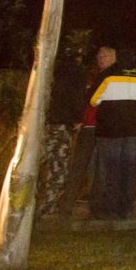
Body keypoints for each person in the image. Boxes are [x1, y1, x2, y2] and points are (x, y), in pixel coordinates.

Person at [90, 48, 136, 219]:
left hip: (110, 130)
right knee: (129, 169)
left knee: (111, 169)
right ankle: (126, 208)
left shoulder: (108, 75)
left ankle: (110, 209)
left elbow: (93, 100)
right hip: (133, 130)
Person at [59, 46, 115, 216]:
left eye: (104, 56)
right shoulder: (93, 76)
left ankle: (96, 206)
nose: (100, 59)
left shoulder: (114, 78)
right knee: (79, 165)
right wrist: (79, 118)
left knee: (99, 169)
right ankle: (67, 204)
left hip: (104, 128)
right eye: (98, 56)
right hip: (88, 127)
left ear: (113, 58)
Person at [37, 43, 88, 215]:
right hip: (62, 124)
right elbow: (76, 98)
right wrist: (78, 119)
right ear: (78, 58)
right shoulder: (76, 73)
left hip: (43, 123)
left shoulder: (50, 70)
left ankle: (33, 199)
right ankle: (50, 202)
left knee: (41, 161)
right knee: (58, 165)